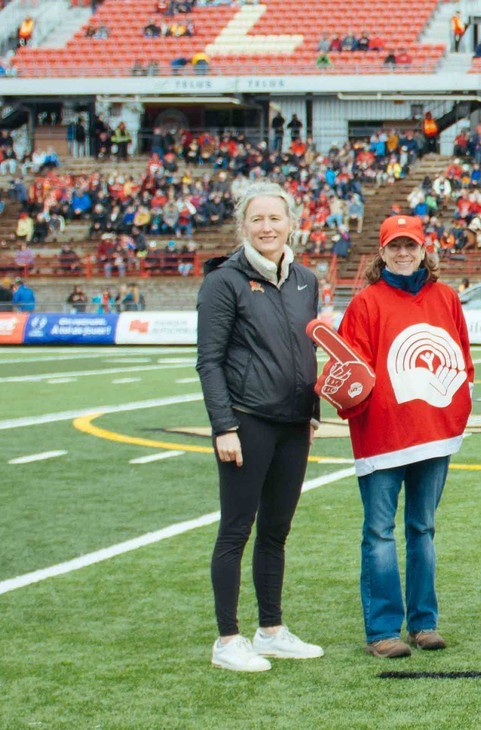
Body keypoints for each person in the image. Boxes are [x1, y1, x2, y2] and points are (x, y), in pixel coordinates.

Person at [195, 181, 325, 672]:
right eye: (257, 219)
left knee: (276, 531)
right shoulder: (223, 281)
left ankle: (270, 630)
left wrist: (312, 414)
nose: (267, 227)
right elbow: (209, 361)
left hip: (293, 423)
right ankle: (227, 640)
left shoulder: (305, 280)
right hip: (246, 422)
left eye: (275, 218)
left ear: (291, 223)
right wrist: (223, 426)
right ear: (242, 225)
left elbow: (307, 350)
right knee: (236, 530)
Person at [332, 215, 474, 659]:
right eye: (395, 246)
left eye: (410, 245)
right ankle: (381, 630)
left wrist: (455, 409)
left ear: (424, 250)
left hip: (432, 434)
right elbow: (347, 370)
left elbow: (461, 360)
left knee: (423, 528)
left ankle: (424, 622)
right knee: (379, 531)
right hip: (382, 435)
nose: (403, 253)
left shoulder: (446, 298)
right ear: (382, 252)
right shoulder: (365, 303)